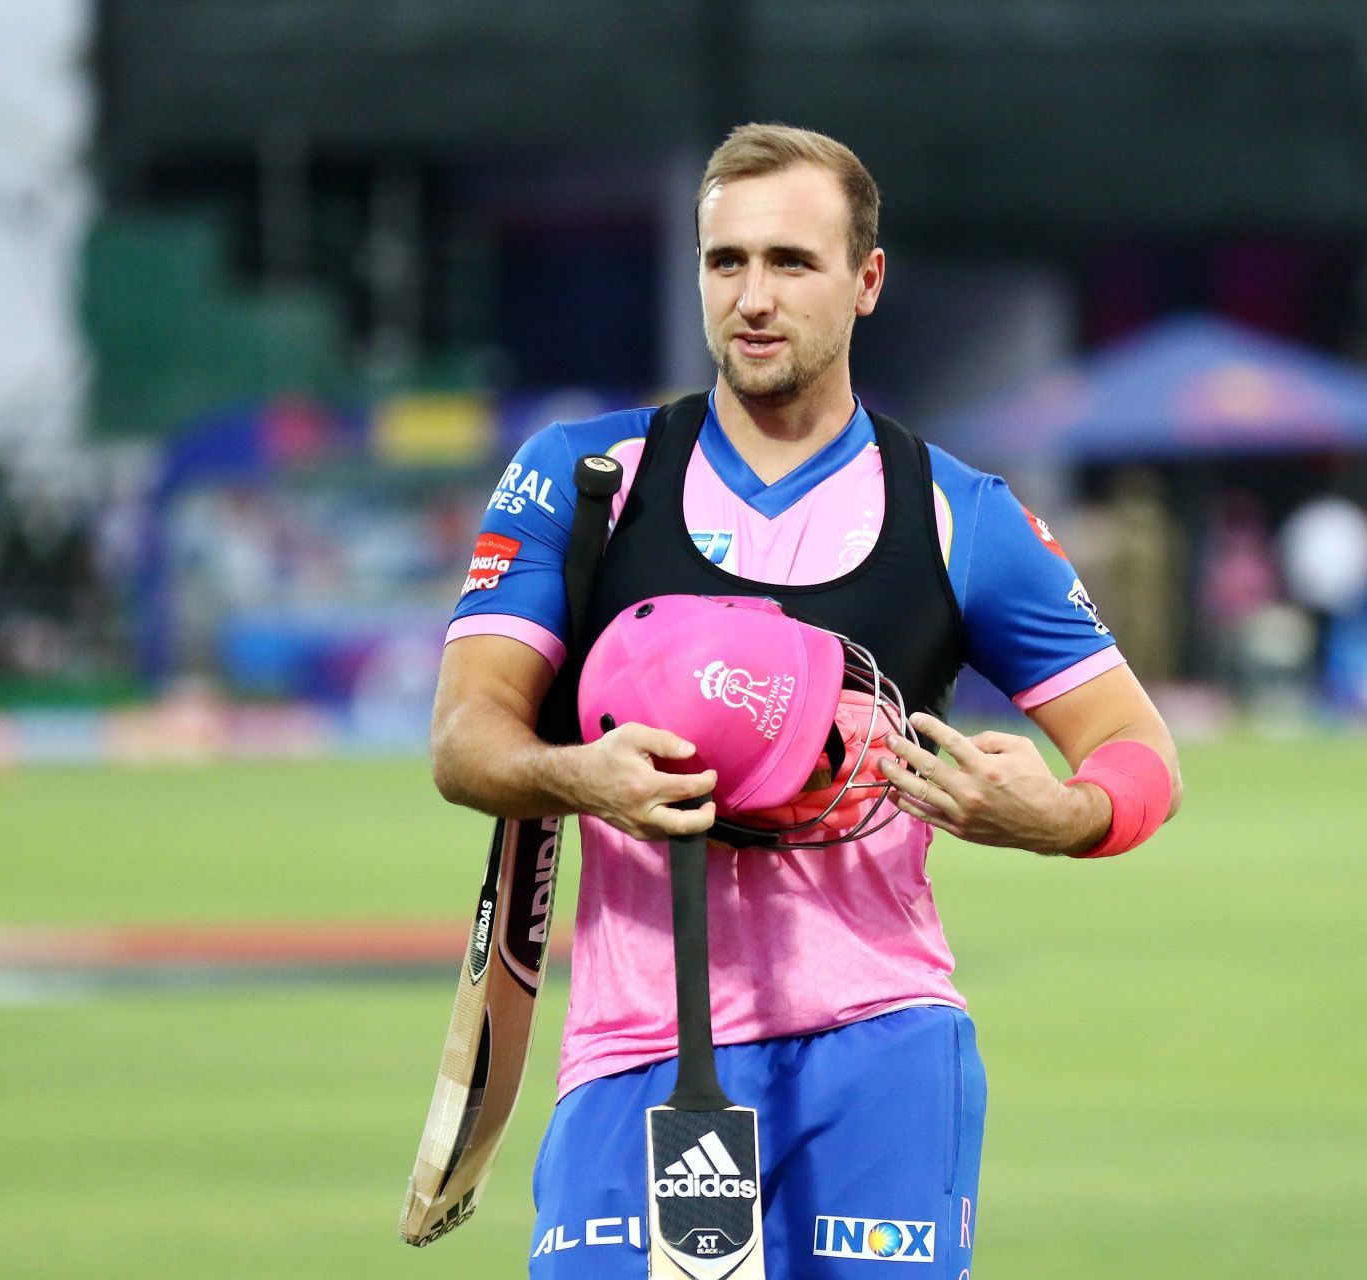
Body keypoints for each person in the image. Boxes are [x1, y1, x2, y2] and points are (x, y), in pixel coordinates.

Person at [431, 123, 1183, 1278]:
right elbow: (466, 734)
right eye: (725, 262)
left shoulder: (957, 513)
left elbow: (1139, 750)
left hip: (879, 1044)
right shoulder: (585, 480)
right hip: (641, 1050)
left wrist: (1058, 815)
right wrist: (577, 776)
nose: (753, 297)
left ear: (866, 280)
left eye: (793, 261)